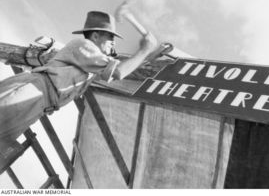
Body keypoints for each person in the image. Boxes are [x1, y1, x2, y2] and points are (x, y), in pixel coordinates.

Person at [0, 10, 157, 162]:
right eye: (110, 38)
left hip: (39, 103)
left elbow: (116, 70)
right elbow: (119, 72)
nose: (113, 44)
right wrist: (145, 50)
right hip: (32, 91)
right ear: (95, 36)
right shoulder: (84, 45)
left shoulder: (91, 65)